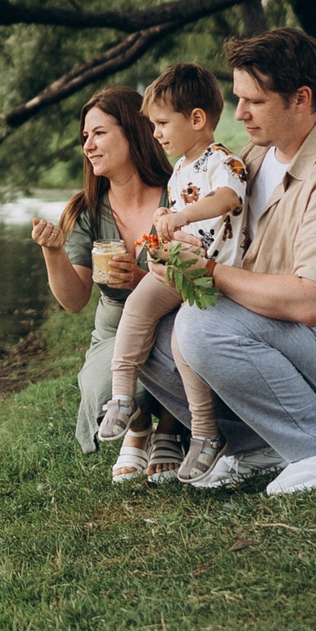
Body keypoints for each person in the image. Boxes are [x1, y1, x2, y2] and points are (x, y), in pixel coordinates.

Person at [133, 28, 316, 497]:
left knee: (202, 327)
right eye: (239, 98)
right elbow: (213, 231)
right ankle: (258, 445)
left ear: (301, 98)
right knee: (149, 332)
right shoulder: (256, 155)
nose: (239, 113)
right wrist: (171, 253)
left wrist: (209, 274)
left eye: (254, 102)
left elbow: (311, 303)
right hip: (282, 339)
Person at [93, 64, 247, 486]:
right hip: (179, 266)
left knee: (184, 342)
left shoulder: (223, 161)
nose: (156, 134)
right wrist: (166, 217)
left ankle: (203, 432)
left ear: (196, 120)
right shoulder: (179, 169)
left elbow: (226, 201)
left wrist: (179, 214)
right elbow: (180, 216)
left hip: (213, 274)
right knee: (136, 309)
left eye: (162, 124)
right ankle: (122, 398)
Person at [28, 86, 177, 484]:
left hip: (174, 321)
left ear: (133, 132)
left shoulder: (178, 193)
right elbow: (75, 300)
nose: (88, 146)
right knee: (101, 384)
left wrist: (146, 280)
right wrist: (54, 252)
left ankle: (169, 429)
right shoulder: (86, 209)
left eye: (99, 134)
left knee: (182, 343)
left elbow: (202, 274)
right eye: (84, 138)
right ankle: (140, 424)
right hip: (114, 330)